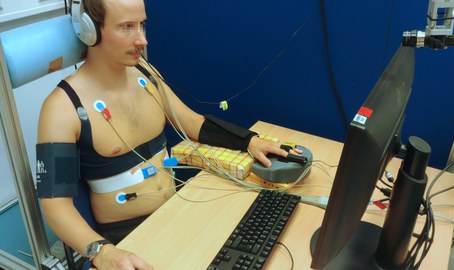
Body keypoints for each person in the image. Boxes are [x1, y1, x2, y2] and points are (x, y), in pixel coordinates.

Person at [36, 0, 299, 269]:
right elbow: (55, 206)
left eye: (142, 25)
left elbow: (192, 123)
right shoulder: (61, 109)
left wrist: (249, 141)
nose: (142, 40)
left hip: (176, 211)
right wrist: (102, 252)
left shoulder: (145, 75)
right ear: (90, 30)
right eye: (127, 27)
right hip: (129, 237)